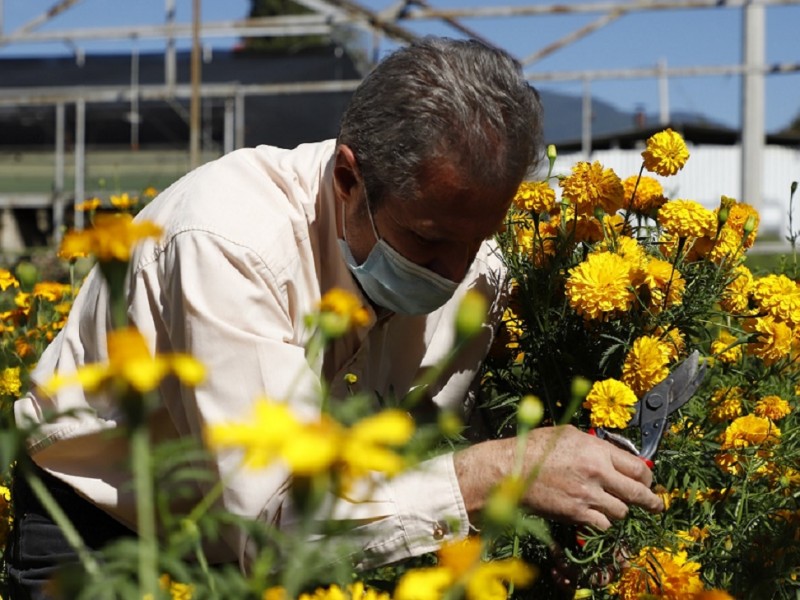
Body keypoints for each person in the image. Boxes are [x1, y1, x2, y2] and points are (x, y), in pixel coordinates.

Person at [7, 37, 663, 596]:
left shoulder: (474, 258)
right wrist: (497, 472)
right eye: (430, 242)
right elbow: (272, 526)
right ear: (348, 179)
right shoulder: (231, 243)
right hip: (103, 533)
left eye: (477, 239)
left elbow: (431, 444)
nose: (457, 269)